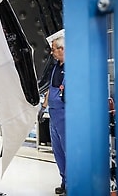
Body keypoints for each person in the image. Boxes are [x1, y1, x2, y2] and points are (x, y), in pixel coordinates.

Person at [41, 35, 66, 196]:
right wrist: (43, 107)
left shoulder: (71, 67)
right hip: (54, 114)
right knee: (57, 151)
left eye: (53, 49)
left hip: (65, 114)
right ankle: (64, 182)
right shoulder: (55, 67)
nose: (51, 53)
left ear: (62, 49)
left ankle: (72, 184)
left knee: (67, 150)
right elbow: (51, 88)